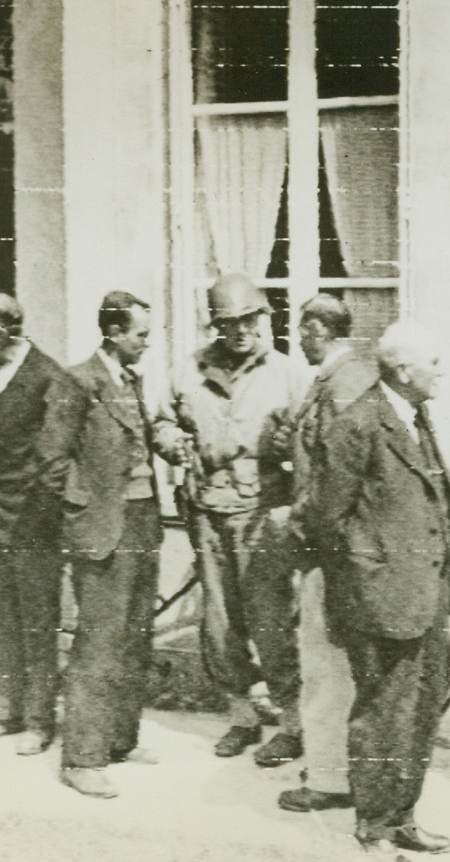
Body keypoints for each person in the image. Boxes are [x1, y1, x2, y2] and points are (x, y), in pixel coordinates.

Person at [312, 322, 450, 854]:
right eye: (435, 362)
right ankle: (374, 826)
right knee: (382, 716)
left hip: (425, 595)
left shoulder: (415, 417)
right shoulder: (356, 426)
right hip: (381, 599)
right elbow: (325, 520)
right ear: (403, 371)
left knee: (418, 712)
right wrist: (363, 583)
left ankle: (401, 819)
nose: (442, 371)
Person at [154, 274, 306, 765]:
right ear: (215, 326)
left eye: (249, 320)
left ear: (264, 318)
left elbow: (311, 439)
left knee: (272, 620)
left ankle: (292, 722)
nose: (240, 331)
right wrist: (170, 441)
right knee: (219, 623)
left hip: (263, 509)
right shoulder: (188, 371)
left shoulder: (287, 374)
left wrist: (289, 451)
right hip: (206, 508)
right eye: (229, 323)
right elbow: (162, 420)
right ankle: (242, 717)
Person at [57, 291, 163, 800]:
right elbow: (51, 461)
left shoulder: (132, 380)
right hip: (103, 529)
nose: (148, 341)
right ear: (115, 333)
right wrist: (81, 515)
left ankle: (121, 739)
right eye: (141, 333)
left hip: (142, 521)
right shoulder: (78, 381)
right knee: (98, 642)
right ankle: (82, 758)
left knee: (135, 636)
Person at [277, 295, 377, 813]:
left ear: (317, 330)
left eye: (301, 329)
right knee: (330, 666)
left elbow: (339, 476)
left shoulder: (342, 385)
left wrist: (299, 525)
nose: (298, 339)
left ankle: (330, 779)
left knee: (325, 666)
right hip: (333, 547)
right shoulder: (340, 381)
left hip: (329, 551)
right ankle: (331, 764)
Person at [0, 292, 69, 756]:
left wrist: (41, 516)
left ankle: (39, 721)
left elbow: (57, 458)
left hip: (33, 520)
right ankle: (1, 709)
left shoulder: (48, 377)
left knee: (36, 621)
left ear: (4, 331)